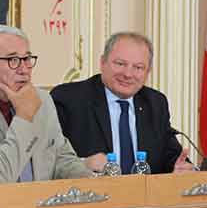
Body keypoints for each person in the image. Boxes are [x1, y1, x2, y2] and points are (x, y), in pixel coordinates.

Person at [0, 26, 90, 184]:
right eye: (13, 60)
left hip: (43, 204)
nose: (24, 70)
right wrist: (24, 116)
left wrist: (95, 183)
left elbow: (63, 159)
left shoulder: (42, 99)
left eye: (27, 59)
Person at [51, 31, 194, 174]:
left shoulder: (155, 103)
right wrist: (82, 164)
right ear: (102, 63)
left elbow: (171, 156)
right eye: (120, 64)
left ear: (147, 72)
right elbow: (49, 160)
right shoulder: (68, 99)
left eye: (138, 67)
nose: (127, 74)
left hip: (145, 195)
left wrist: (179, 168)